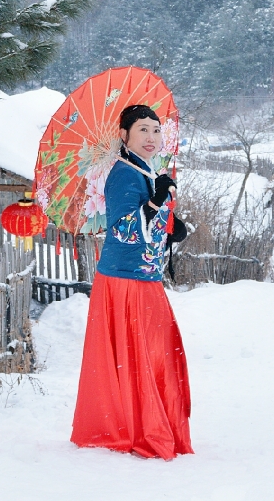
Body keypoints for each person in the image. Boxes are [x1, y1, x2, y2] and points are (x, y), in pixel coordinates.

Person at [71, 104, 193, 460]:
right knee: (142, 354)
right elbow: (123, 230)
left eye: (156, 130)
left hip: (143, 277)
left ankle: (145, 422)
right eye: (143, 129)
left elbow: (148, 224)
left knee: (152, 353)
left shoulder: (144, 171)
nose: (152, 137)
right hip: (125, 281)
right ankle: (135, 428)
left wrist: (170, 224)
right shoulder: (123, 174)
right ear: (123, 135)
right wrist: (156, 201)